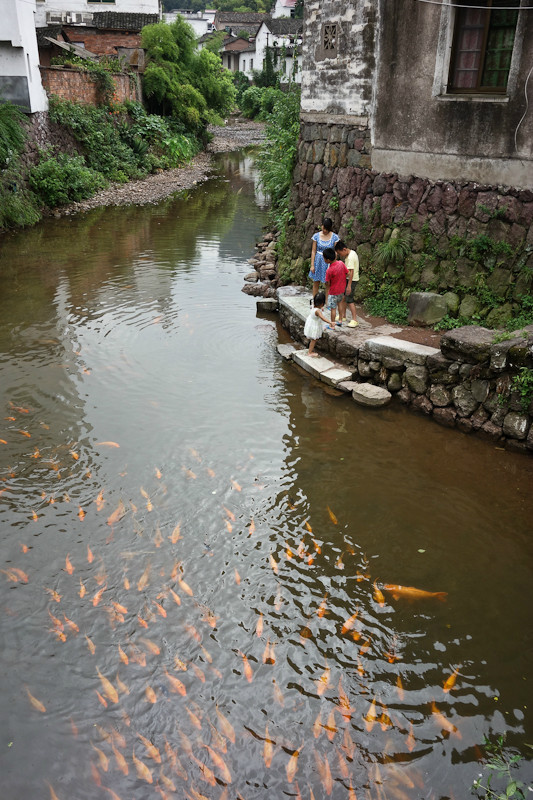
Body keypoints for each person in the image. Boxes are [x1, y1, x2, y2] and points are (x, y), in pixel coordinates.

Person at [309, 218, 339, 300]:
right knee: (316, 282)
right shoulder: (316, 236)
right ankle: (315, 301)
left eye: (327, 229)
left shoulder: (335, 237)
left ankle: (327, 302)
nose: (325, 230)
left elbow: (336, 252)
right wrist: (312, 265)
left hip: (328, 262)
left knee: (328, 283)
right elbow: (313, 251)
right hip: (318, 261)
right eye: (324, 228)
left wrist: (333, 265)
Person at [335, 240, 359, 327]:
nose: (340, 255)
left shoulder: (350, 258)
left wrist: (349, 286)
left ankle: (354, 319)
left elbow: (351, 272)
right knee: (343, 297)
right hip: (348, 279)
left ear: (344, 249)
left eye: (340, 253)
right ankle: (343, 315)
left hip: (351, 280)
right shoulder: (351, 253)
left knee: (349, 299)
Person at [323, 247, 348, 329]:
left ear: (328, 260)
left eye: (324, 258)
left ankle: (332, 325)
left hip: (333, 292)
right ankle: (340, 320)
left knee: (333, 308)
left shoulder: (329, 270)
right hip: (341, 290)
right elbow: (347, 273)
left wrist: (328, 287)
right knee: (340, 303)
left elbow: (327, 282)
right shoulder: (341, 263)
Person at [304, 291, 329, 357]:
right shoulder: (317, 311)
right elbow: (322, 318)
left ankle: (310, 349)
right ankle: (310, 352)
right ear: (322, 303)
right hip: (315, 325)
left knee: (313, 338)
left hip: (311, 323)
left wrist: (321, 308)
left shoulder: (313, 305)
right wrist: (330, 322)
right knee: (314, 340)